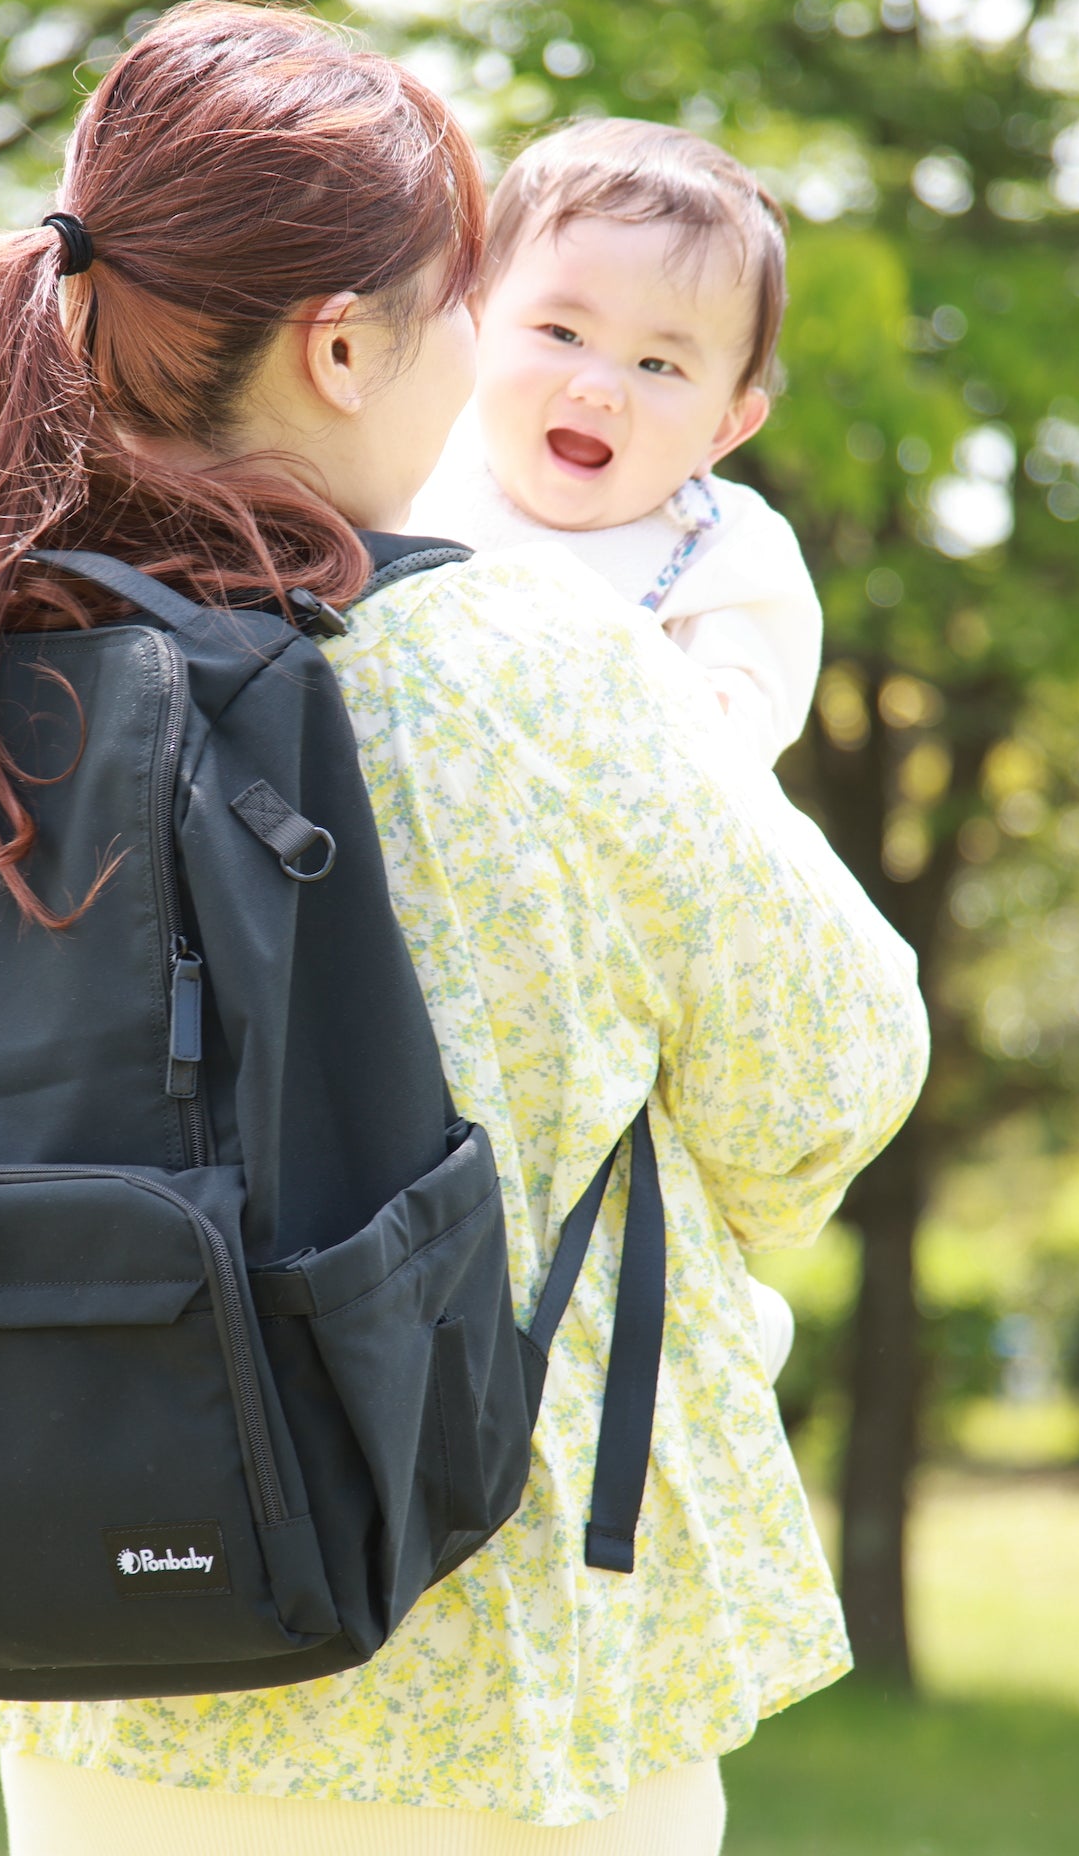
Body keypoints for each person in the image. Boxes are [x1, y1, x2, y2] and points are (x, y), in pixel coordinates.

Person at [0, 0, 929, 1855]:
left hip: (86, 1608)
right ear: (345, 347)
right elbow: (833, 1064)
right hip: (490, 1640)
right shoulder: (541, 663)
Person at [410, 119, 821, 1386]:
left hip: (606, 929)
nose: (597, 383)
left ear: (726, 422)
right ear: (473, 317)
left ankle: (707, 1292)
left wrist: (685, 716)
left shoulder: (717, 552)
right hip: (416, 896)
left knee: (629, 1127)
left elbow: (731, 735)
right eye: (560, 332)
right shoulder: (411, 478)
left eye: (658, 361)